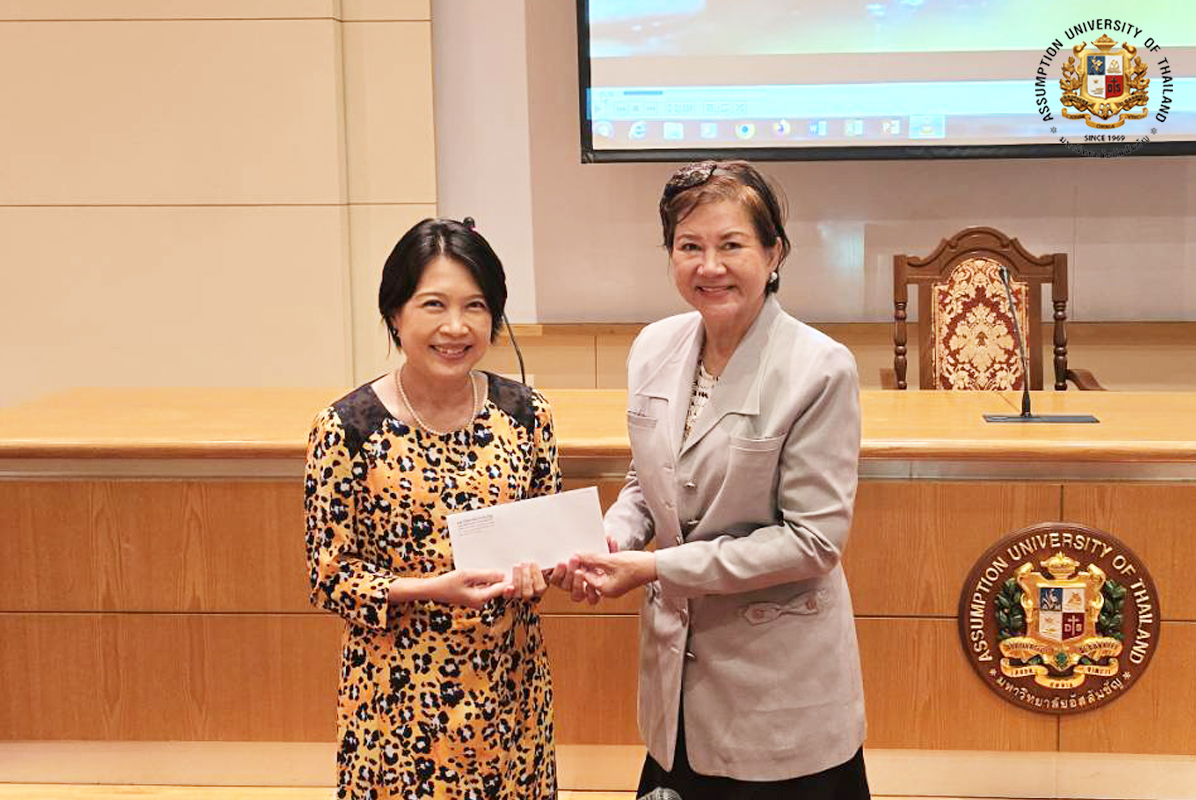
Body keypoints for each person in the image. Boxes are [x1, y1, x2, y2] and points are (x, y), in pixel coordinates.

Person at [559, 160, 869, 799]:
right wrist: (615, 538)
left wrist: (654, 568)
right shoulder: (654, 347)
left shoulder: (819, 368)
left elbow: (813, 542)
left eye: (731, 245)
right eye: (689, 247)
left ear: (773, 253)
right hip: (675, 684)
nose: (710, 267)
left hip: (778, 692)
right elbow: (648, 478)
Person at [305, 218, 558, 799]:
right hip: (396, 702)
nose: (455, 326)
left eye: (475, 306)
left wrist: (539, 574)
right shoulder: (347, 428)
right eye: (433, 304)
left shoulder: (526, 415)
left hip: (508, 693)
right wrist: (430, 589)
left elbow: (546, 540)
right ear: (395, 313)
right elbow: (329, 578)